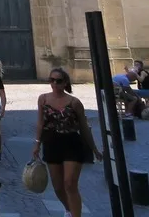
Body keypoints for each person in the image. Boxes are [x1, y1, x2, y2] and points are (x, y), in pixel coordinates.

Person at [32, 68, 102, 217]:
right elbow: (40, 123)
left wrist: (94, 149)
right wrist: (37, 143)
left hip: (72, 143)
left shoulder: (74, 102)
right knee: (58, 187)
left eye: (58, 81)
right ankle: (69, 210)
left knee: (69, 184)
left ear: (65, 83)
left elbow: (84, 127)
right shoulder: (43, 99)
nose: (54, 84)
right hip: (51, 143)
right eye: (51, 80)